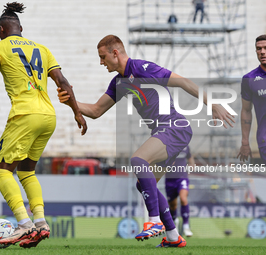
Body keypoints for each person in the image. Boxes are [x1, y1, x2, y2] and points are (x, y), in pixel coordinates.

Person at [57, 35, 234, 247]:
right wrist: (72, 102)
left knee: (138, 160)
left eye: (103, 57)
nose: (101, 62)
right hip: (164, 131)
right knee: (143, 184)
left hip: (175, 127)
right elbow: (95, 111)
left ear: (115, 53)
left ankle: (154, 221)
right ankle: (172, 237)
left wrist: (212, 104)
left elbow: (183, 82)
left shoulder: (143, 68)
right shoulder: (118, 83)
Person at [0, 2, 87, 249]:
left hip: (24, 115)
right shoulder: (43, 49)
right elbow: (63, 82)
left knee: (2, 171)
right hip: (48, 117)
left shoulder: (0, 47)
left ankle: (24, 226)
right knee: (26, 172)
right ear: (21, 28)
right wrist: (77, 113)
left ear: (2, 30)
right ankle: (41, 223)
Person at [238, 35, 266, 164]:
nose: (262, 52)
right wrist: (245, 142)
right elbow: (246, 111)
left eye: (265, 48)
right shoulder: (249, 79)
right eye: (259, 49)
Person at [164, 145, 195, 237]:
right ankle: (175, 223)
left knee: (183, 199)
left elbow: (190, 157)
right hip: (170, 179)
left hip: (182, 178)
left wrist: (191, 166)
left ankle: (186, 226)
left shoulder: (185, 146)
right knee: (173, 206)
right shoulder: (165, 146)